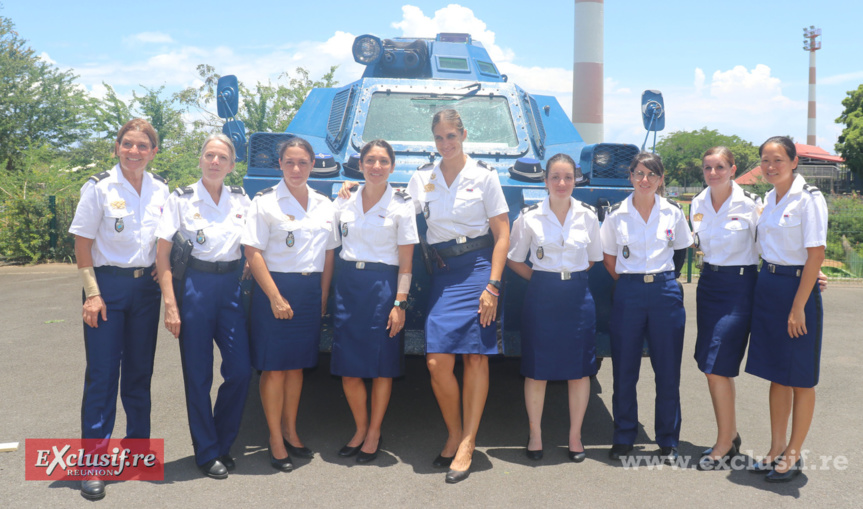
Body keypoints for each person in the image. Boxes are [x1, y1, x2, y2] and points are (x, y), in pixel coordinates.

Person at [68, 118, 170, 501]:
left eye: (143, 146)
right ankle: (93, 464)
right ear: (117, 147)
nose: (134, 152)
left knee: (140, 374)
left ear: (153, 151)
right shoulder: (98, 187)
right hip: (106, 289)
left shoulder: (162, 189)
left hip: (146, 289)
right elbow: (82, 243)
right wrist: (92, 294)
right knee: (103, 375)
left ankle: (137, 453)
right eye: (128, 144)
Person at [408, 109, 510, 483]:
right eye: (439, 137)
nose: (445, 143)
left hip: (480, 268)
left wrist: (493, 286)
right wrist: (350, 193)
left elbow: (502, 234)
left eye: (451, 136)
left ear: (463, 135)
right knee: (437, 362)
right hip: (445, 274)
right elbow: (399, 209)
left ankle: (467, 442)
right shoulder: (423, 178)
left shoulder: (484, 177)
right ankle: (453, 431)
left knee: (475, 357)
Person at [154, 134, 251, 479]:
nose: (214, 162)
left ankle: (223, 442)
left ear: (231, 165)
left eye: (222, 157)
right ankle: (207, 452)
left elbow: (255, 244)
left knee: (240, 370)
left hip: (231, 288)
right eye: (209, 155)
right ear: (200, 160)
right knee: (198, 375)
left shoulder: (242, 198)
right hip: (195, 286)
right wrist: (171, 304)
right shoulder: (180, 199)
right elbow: (162, 256)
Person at [241, 137, 340, 472]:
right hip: (275, 288)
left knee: (296, 366)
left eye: (302, 163)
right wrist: (273, 296)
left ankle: (291, 430)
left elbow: (329, 254)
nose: (296, 169)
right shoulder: (265, 202)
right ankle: (275, 438)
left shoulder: (325, 204)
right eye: (289, 162)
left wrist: (323, 294)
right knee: (273, 368)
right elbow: (252, 252)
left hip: (309, 290)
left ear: (312, 165)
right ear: (279, 165)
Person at [506, 153, 602, 463]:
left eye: (568, 177)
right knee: (537, 370)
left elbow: (592, 258)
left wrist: (567, 275)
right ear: (545, 180)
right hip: (542, 295)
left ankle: (575, 436)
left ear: (576, 180)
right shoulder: (529, 217)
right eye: (556, 177)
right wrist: (542, 278)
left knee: (580, 371)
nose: (562, 183)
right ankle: (535, 434)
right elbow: (514, 258)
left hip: (577, 295)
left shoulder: (588, 216)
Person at [599, 152, 693, 465]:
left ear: (661, 179)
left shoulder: (673, 213)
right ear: (630, 176)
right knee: (625, 370)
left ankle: (667, 440)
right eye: (639, 173)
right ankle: (624, 436)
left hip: (665, 292)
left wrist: (660, 280)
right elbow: (609, 258)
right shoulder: (616, 215)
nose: (645, 180)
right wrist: (632, 283)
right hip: (629, 293)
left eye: (652, 174)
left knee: (667, 371)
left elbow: (680, 252)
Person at [745, 136, 827, 482]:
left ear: (794, 161)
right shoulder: (769, 199)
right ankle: (776, 447)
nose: (770, 166)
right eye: (765, 160)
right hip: (769, 286)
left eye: (778, 159)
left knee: (801, 378)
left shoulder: (809, 200)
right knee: (777, 374)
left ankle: (793, 454)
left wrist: (799, 306)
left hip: (797, 293)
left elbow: (816, 253)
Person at [331, 139, 418, 464]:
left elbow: (407, 263)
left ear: (392, 167)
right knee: (349, 369)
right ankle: (360, 427)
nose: (376, 166)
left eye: (383, 161)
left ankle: (374, 432)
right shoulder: (343, 202)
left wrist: (400, 304)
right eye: (370, 160)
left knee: (382, 368)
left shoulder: (401, 205)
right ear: (361, 165)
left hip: (383, 288)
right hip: (349, 286)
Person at [689, 147, 759, 470]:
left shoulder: (751, 205)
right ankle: (730, 433)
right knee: (713, 364)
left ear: (733, 169)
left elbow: (770, 245)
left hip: (740, 288)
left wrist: (815, 271)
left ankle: (723, 442)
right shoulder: (697, 204)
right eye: (708, 167)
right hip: (709, 287)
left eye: (720, 167)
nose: (713, 173)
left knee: (716, 364)